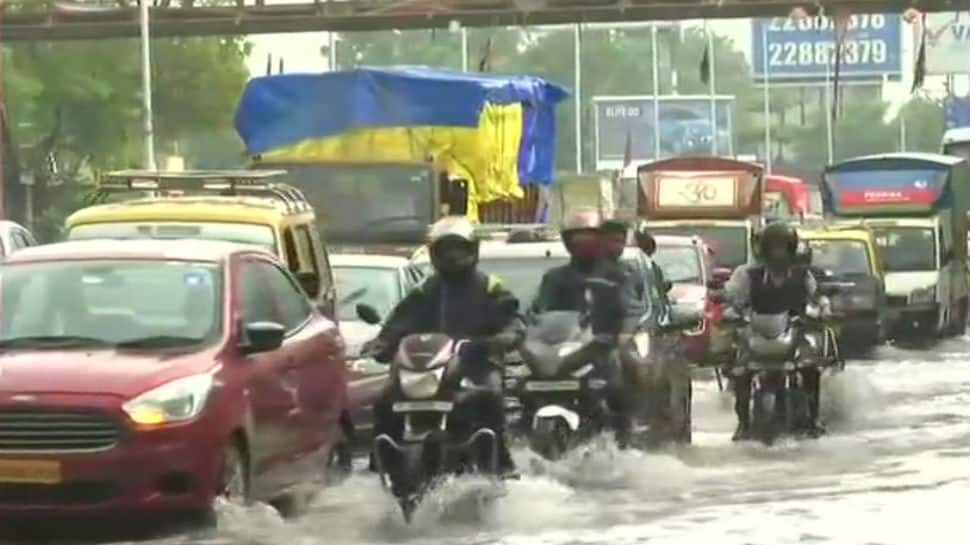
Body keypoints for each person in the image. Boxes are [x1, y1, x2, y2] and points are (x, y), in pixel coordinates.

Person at [362, 216, 523, 476]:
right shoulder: (425, 289)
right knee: (384, 400)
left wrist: (502, 337)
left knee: (490, 394)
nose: (452, 256)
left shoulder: (490, 286)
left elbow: (512, 320)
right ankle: (380, 461)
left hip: (475, 362)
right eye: (445, 250)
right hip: (426, 367)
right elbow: (400, 320)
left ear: (472, 250)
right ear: (434, 253)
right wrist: (382, 343)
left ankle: (501, 461)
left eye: (458, 249)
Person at [530, 210, 639, 445]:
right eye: (577, 240)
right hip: (567, 346)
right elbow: (540, 312)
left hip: (602, 345)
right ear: (567, 243)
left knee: (625, 375)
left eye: (588, 239)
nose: (583, 245)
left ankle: (625, 433)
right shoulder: (555, 277)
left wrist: (623, 334)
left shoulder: (617, 274)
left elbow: (630, 309)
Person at [722, 222, 826, 440]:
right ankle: (743, 423)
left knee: (811, 367)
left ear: (790, 248)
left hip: (794, 333)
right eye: (773, 247)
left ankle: (813, 418)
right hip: (758, 333)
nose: (778, 253)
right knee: (740, 371)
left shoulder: (803, 275)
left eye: (782, 247)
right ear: (764, 249)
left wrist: (822, 310)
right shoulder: (748, 275)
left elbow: (817, 298)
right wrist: (730, 312)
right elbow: (734, 299)